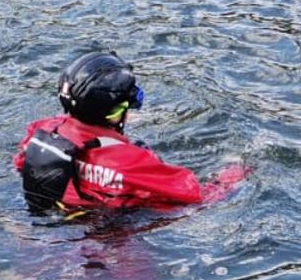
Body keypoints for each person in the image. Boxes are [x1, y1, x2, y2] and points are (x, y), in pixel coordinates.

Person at [16, 51, 246, 217]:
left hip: (44, 220)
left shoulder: (41, 129)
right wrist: (236, 174)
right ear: (115, 114)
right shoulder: (131, 162)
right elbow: (193, 195)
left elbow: (21, 163)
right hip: (104, 241)